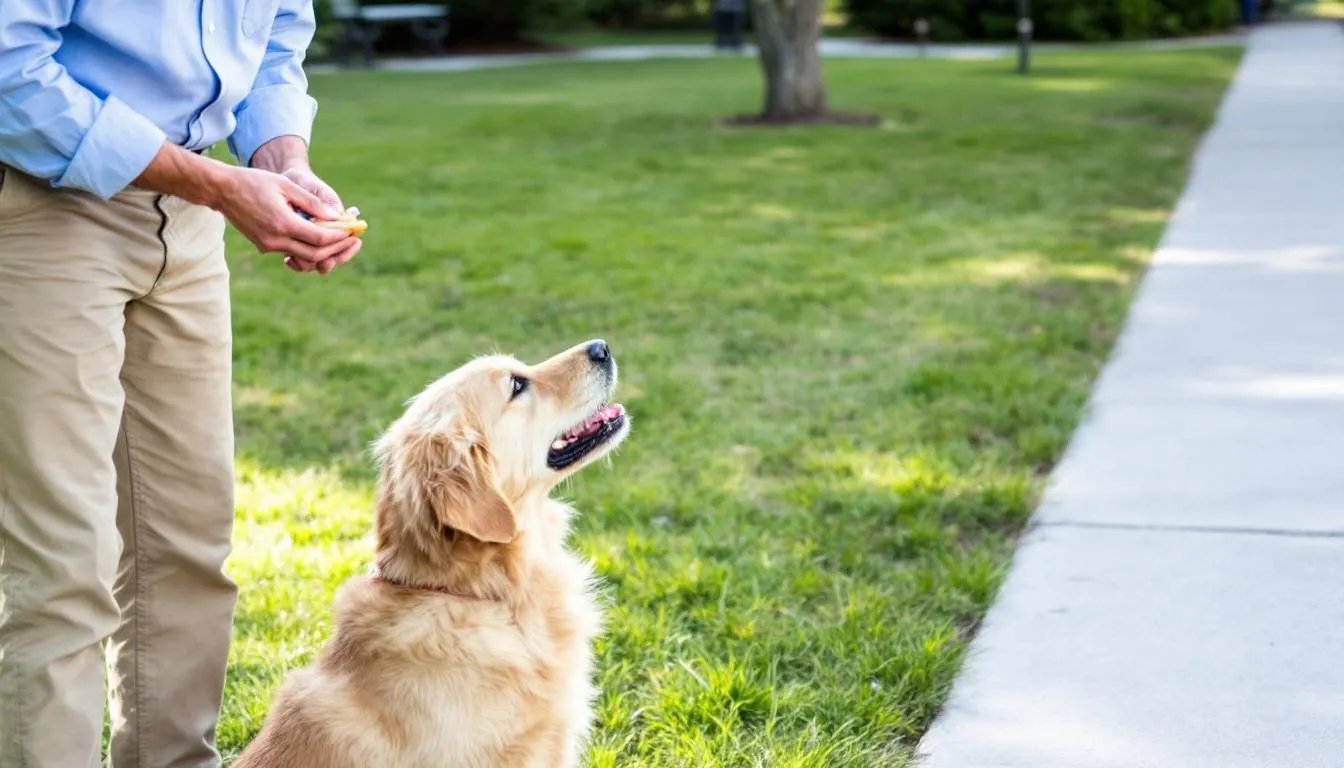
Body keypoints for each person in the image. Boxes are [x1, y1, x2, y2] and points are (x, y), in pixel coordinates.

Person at [0, 2, 360, 766]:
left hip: (190, 221)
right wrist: (218, 186)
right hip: (43, 206)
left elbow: (274, 39)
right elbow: (8, 69)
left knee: (188, 542)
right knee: (64, 560)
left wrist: (282, 163)